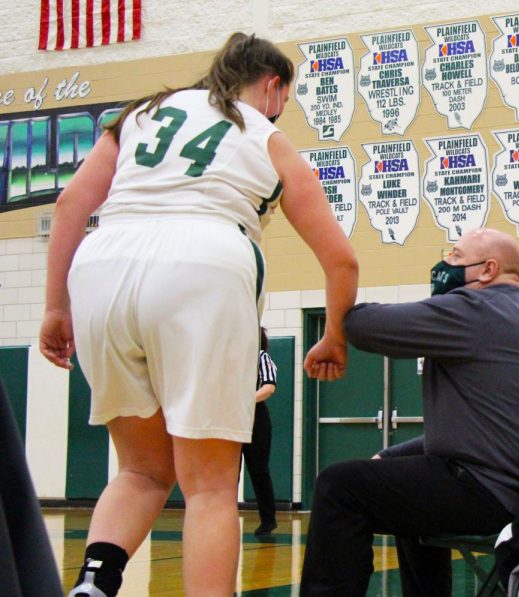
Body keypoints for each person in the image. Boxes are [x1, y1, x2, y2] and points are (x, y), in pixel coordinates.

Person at [39, 32, 358, 597]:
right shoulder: (265, 132)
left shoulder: (140, 113)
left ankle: (93, 585)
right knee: (209, 486)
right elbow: (341, 259)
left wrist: (55, 307)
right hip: (205, 259)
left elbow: (69, 205)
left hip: (102, 261)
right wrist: (333, 335)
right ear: (273, 85)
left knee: (140, 470)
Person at [299, 228, 519, 596]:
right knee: (406, 497)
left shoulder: (479, 309)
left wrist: (333, 334)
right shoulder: (511, 315)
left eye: (455, 256)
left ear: (487, 270)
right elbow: (472, 435)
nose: (443, 263)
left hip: (498, 493)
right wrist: (390, 454)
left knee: (338, 487)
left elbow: (364, 325)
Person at [243, 327, 278, 537]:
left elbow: (269, 387)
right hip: (231, 416)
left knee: (258, 470)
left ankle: (268, 519)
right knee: (229, 472)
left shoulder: (261, 357)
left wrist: (244, 400)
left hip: (255, 417)